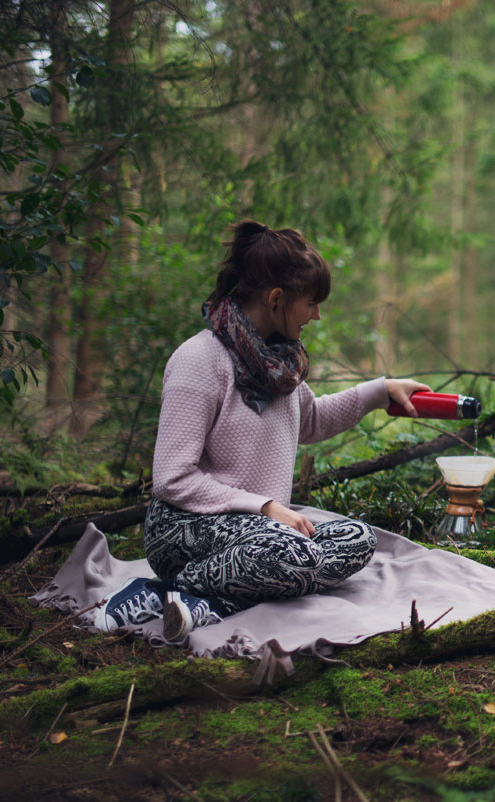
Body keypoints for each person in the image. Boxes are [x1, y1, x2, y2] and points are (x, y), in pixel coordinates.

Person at [94, 221, 430, 643]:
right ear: (276, 300)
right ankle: (161, 588)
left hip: (259, 529)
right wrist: (264, 505)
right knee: (290, 553)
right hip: (185, 527)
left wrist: (380, 391)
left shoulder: (278, 366)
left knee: (358, 539)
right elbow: (172, 478)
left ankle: (209, 602)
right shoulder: (199, 360)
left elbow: (310, 421)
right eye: (311, 303)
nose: (316, 315)